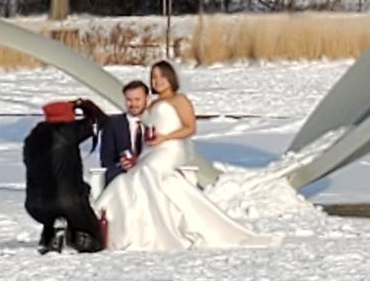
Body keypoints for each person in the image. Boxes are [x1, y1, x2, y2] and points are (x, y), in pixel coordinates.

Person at [94, 60, 276, 251]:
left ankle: (165, 231)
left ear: (170, 77)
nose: (157, 81)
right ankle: (130, 228)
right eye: (154, 77)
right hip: (152, 149)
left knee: (147, 172)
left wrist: (166, 137)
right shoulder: (154, 103)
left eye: (161, 76)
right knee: (131, 178)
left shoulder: (180, 100)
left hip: (170, 148)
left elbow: (190, 128)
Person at [23, 98, 108, 254]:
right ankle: (71, 236)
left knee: (53, 210)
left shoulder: (32, 137)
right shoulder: (67, 131)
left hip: (35, 205)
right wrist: (85, 104)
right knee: (96, 241)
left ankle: (50, 236)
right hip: (68, 202)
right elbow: (101, 120)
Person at [99, 80, 149, 184]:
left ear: (147, 99)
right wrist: (120, 165)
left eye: (137, 99)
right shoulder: (113, 124)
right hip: (122, 180)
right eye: (129, 100)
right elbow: (106, 159)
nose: (133, 104)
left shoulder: (155, 123)